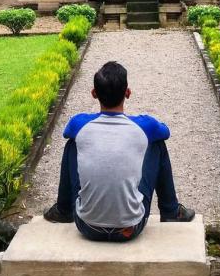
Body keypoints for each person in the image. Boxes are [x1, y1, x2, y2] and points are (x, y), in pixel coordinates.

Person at [43, 60, 195, 242]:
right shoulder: (145, 126)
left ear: (94, 94)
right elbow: (165, 132)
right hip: (130, 228)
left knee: (73, 144)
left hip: (87, 226)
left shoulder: (79, 123)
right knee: (157, 145)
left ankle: (63, 210)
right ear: (128, 93)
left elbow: (67, 132)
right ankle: (171, 211)